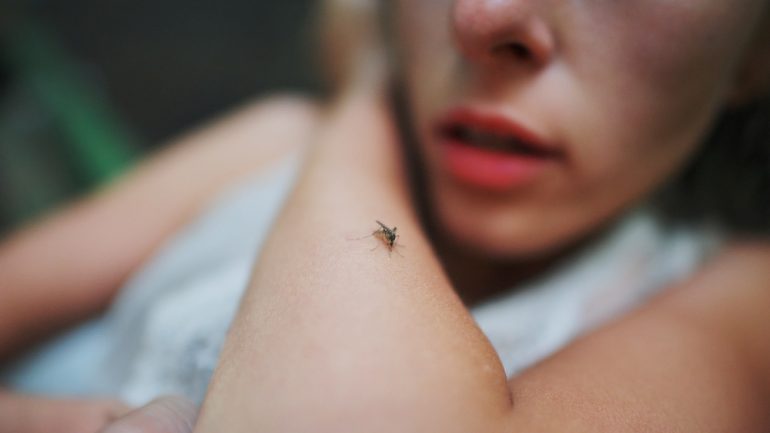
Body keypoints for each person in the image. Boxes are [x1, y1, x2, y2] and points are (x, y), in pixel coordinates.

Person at [1, 0, 769, 431]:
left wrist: (364, 102)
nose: (481, 18)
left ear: (754, 54)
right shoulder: (266, 148)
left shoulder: (737, 299)